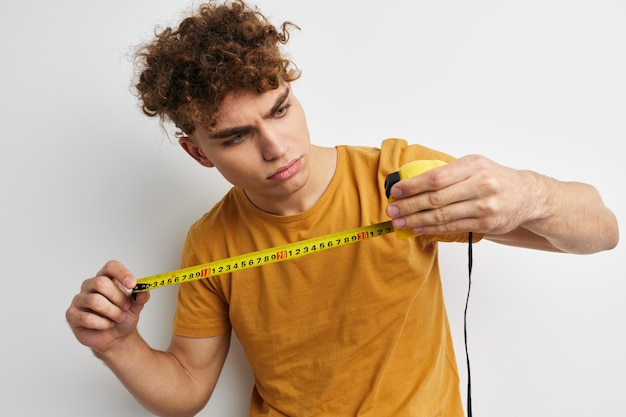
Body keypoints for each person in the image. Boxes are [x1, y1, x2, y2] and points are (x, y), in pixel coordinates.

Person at [65, 1, 619, 416]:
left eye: (280, 109)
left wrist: (526, 193)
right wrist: (120, 345)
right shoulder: (211, 243)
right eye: (235, 137)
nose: (276, 146)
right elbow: (186, 386)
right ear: (197, 152)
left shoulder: (397, 179)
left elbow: (601, 231)